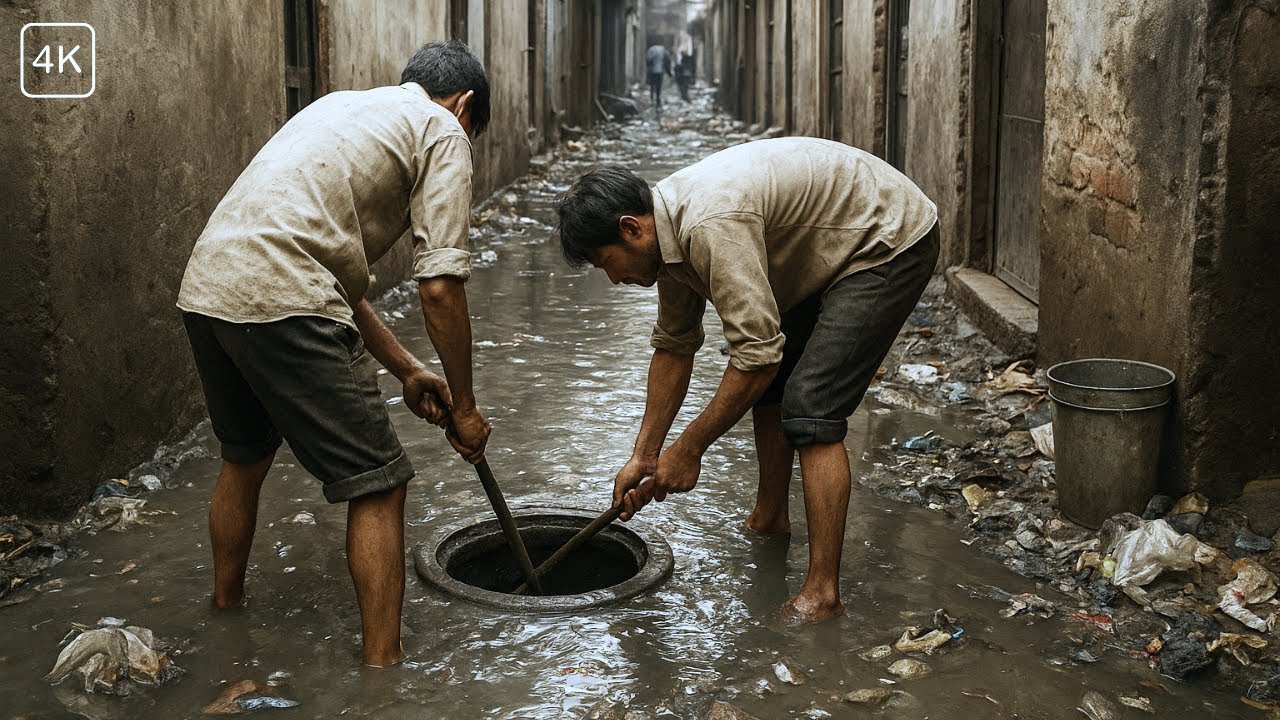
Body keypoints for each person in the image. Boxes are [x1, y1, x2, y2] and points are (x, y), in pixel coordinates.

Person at [176, 41, 493, 666]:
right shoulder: (443, 131)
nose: (467, 140)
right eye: (472, 130)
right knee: (380, 483)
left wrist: (408, 370)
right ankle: (383, 671)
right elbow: (439, 288)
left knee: (244, 456)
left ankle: (226, 610)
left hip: (208, 289)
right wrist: (466, 407)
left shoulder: (340, 108)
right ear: (465, 104)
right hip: (284, 295)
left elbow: (334, 276)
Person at [554, 137, 939, 625]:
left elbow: (757, 359)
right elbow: (674, 345)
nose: (613, 280)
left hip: (885, 239)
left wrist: (689, 448)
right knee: (773, 385)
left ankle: (822, 595)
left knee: (812, 408)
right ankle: (770, 517)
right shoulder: (665, 242)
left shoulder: (709, 224)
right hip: (822, 247)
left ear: (631, 228)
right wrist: (644, 455)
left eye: (607, 263)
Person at [645, 43, 672, 112]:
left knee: (652, 85)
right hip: (660, 71)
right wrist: (669, 73)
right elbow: (667, 61)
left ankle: (651, 99)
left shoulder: (651, 49)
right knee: (658, 86)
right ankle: (658, 100)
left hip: (652, 71)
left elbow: (647, 59)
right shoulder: (664, 51)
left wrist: (649, 69)